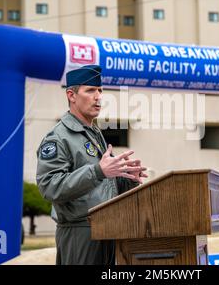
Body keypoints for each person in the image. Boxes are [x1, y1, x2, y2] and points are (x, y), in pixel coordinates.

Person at [36, 65, 147, 265]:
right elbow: (50, 187)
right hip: (80, 234)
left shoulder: (95, 134)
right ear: (71, 95)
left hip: (109, 229)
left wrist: (127, 178)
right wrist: (98, 171)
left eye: (100, 91)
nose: (98, 97)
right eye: (90, 90)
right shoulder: (58, 138)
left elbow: (103, 186)